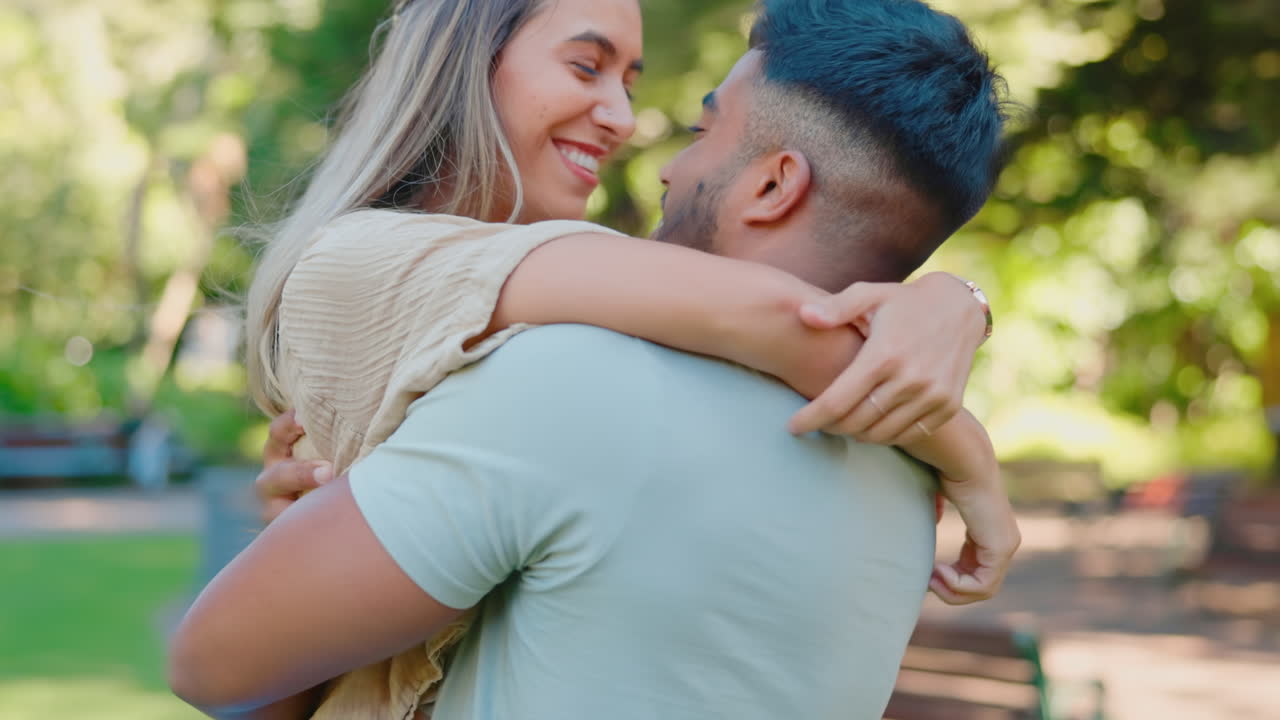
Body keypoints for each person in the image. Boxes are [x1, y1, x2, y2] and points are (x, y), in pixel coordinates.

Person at [171, 0, 1018, 718]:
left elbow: (215, 668)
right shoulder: (906, 486)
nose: (635, 133)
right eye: (588, 69)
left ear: (773, 185)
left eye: (698, 127)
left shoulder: (571, 383)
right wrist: (954, 349)